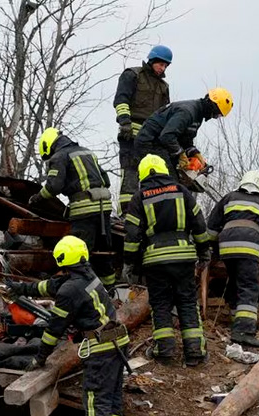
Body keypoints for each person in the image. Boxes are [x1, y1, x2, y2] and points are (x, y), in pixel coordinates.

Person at [1, 236, 130, 416]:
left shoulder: (70, 290)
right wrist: (20, 288)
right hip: (117, 344)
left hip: (101, 349)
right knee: (112, 400)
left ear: (62, 259)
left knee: (95, 400)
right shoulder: (87, 277)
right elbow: (50, 286)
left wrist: (39, 358)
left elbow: (53, 331)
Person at [123, 155, 211, 367]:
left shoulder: (139, 197)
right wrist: (203, 252)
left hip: (155, 261)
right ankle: (195, 352)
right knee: (187, 302)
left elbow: (132, 236)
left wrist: (131, 263)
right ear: (164, 170)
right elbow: (199, 225)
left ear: (143, 174)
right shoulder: (182, 191)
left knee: (161, 304)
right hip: (183, 258)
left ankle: (165, 351)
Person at [31, 128, 116, 288]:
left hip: (84, 212)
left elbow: (53, 187)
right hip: (104, 208)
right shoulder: (87, 152)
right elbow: (106, 179)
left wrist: (36, 198)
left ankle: (83, 291)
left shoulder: (58, 157)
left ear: (47, 146)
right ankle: (110, 291)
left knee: (79, 254)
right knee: (102, 254)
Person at [206, 170, 259, 348]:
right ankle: (244, 332)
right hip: (249, 246)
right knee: (249, 286)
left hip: (226, 246)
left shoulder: (229, 198)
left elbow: (212, 228)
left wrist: (213, 249)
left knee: (235, 282)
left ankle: (237, 321)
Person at [113, 45, 172, 216]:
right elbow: (121, 99)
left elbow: (165, 113)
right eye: (160, 64)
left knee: (153, 175)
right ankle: (126, 213)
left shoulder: (163, 86)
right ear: (152, 60)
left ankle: (148, 213)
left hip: (152, 140)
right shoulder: (132, 75)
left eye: (165, 66)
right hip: (130, 133)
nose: (162, 68)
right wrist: (124, 122)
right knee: (130, 173)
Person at [133, 88, 234, 178]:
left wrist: (194, 153)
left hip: (161, 144)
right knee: (169, 179)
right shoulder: (187, 112)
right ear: (213, 106)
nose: (214, 117)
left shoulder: (197, 115)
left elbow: (185, 140)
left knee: (176, 179)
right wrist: (180, 154)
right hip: (149, 143)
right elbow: (167, 136)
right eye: (217, 114)